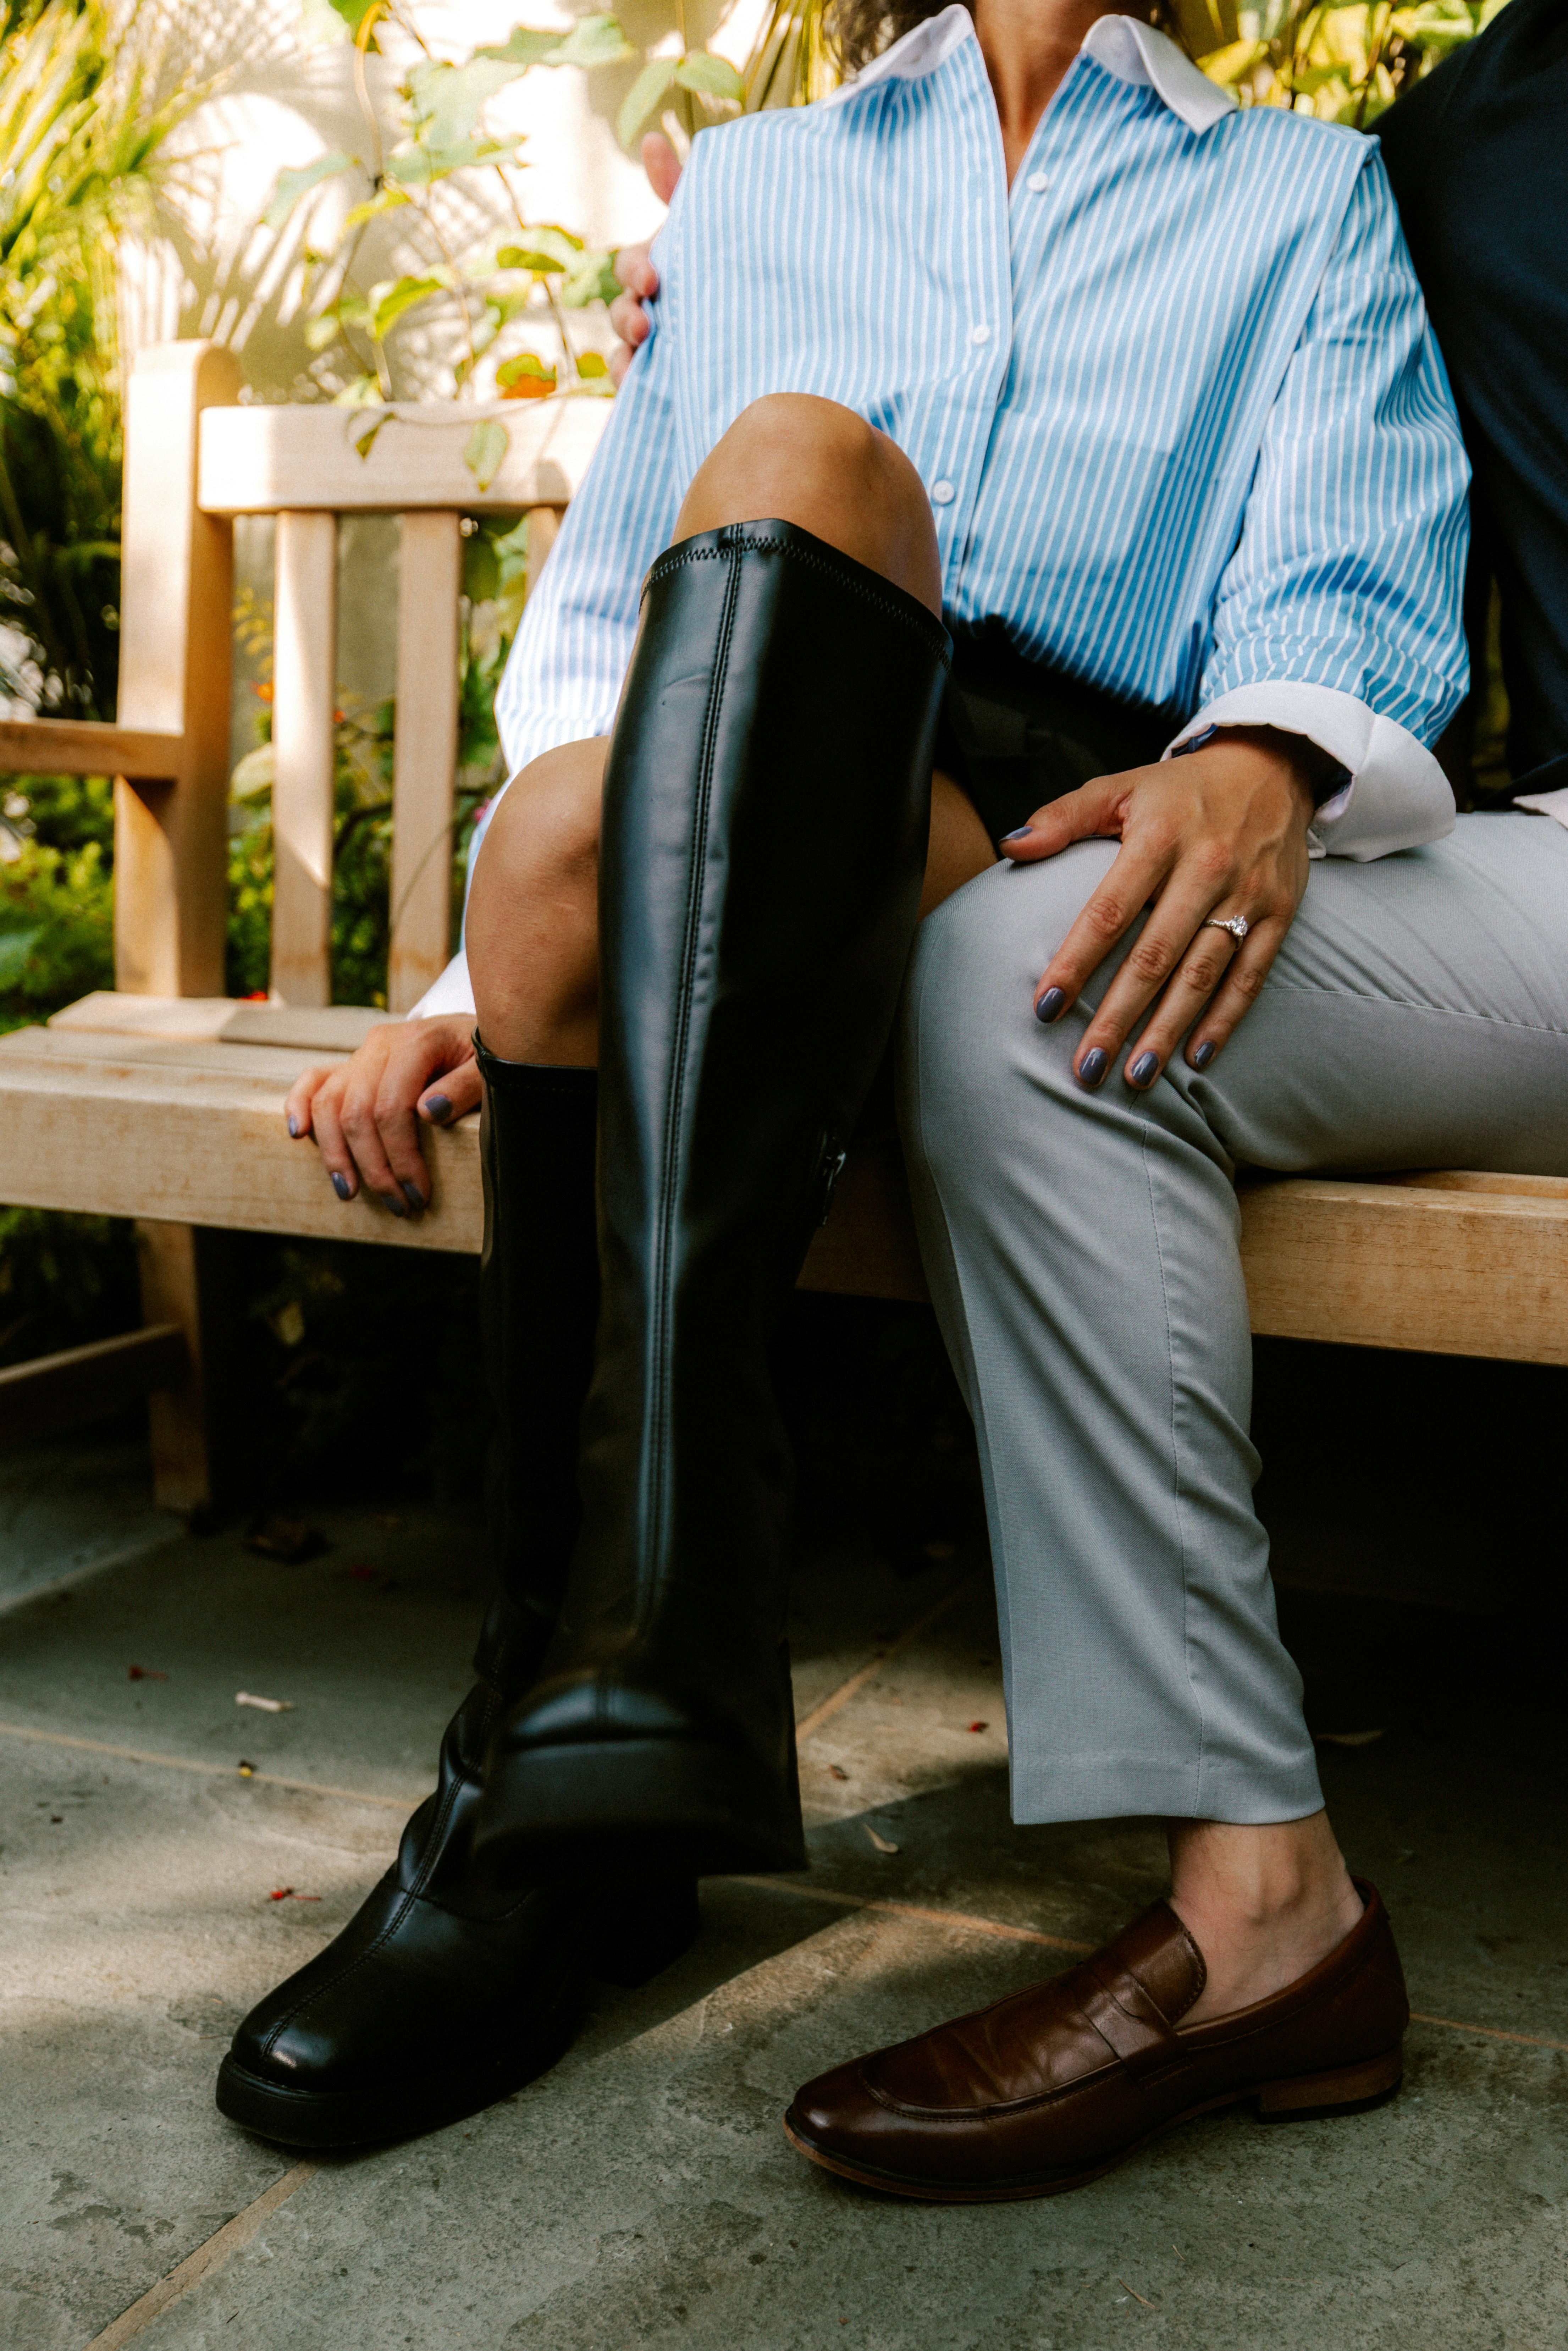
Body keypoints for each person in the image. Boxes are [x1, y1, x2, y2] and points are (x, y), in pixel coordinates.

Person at [211, 0, 1555, 2201]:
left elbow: (1356, 581)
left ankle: (601, 1710)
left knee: (808, 466)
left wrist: (1264, 746)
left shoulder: (1301, 191)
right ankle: (563, 1775)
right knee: (563, 838)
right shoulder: (758, 185)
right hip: (745, 782)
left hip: (1058, 819)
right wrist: (469, 980)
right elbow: (599, 642)